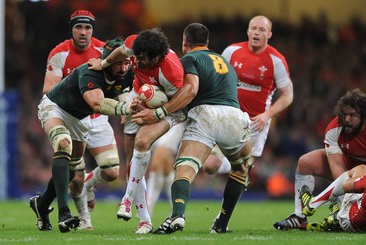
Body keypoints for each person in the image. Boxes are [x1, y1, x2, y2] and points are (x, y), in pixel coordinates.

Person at [131, 22, 252, 234]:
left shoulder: (188, 59)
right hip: (235, 115)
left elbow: (191, 88)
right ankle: (221, 224)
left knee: (184, 170)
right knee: (241, 170)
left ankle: (177, 215)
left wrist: (159, 112)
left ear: (185, 42)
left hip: (206, 114)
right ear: (207, 42)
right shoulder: (225, 62)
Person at [29, 37, 133, 233]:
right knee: (63, 143)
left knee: (72, 170)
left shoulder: (126, 74)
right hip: (56, 107)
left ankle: (41, 205)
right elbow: (97, 104)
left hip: (80, 119)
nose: (123, 68)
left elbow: (124, 92)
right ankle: (64, 213)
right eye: (119, 62)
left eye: (126, 63)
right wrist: (126, 108)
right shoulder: (89, 72)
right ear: (108, 60)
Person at [201, 15, 294, 233]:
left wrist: (267, 115)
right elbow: (217, 79)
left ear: (269, 34)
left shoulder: (276, 61)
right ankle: (238, 169)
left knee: (240, 173)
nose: (257, 33)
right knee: (210, 166)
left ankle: (220, 222)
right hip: (228, 117)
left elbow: (287, 96)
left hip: (256, 124)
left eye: (262, 29)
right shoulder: (231, 52)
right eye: (254, 28)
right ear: (247, 31)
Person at [87, 28, 185, 234]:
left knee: (142, 146)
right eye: (136, 57)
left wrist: (155, 113)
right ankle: (145, 222)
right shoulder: (134, 44)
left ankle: (127, 200)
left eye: (142, 59)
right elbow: (121, 53)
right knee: (132, 162)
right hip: (137, 95)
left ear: (157, 57)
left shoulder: (171, 72)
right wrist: (103, 64)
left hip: (168, 108)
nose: (136, 63)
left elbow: (179, 103)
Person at [274, 88, 366, 230]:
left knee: (361, 169)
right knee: (305, 162)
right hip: (346, 171)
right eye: (344, 114)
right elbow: (338, 172)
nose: (347, 119)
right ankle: (299, 216)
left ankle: (339, 213)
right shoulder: (334, 129)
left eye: (352, 115)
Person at [300, 164, 366, 232]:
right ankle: (334, 220)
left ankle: (313, 203)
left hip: (350, 220)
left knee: (361, 169)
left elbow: (345, 186)